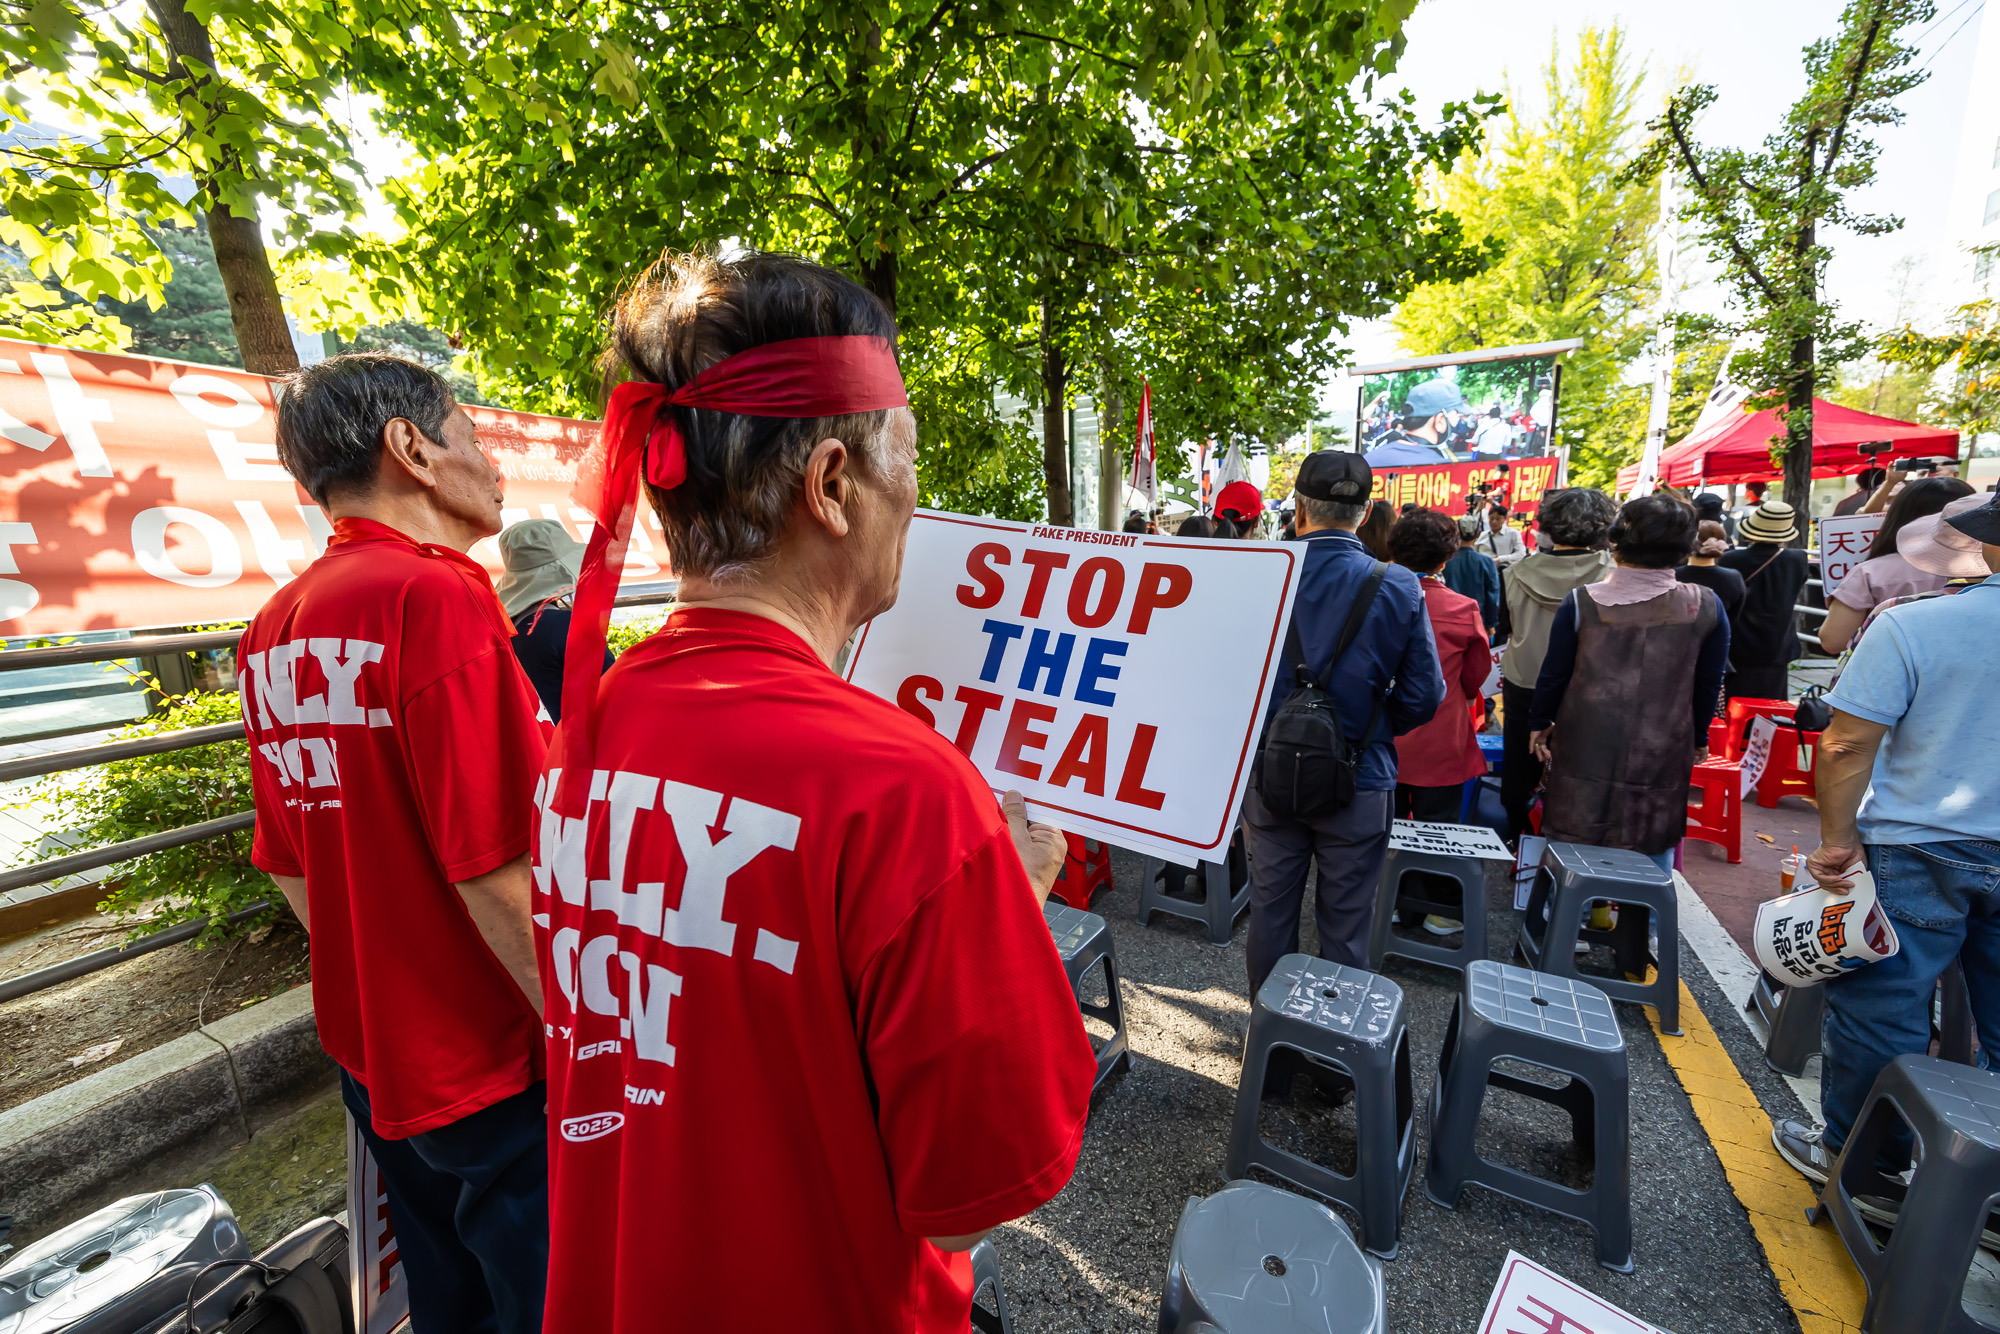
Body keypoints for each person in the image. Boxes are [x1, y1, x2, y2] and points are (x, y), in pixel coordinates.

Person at [534, 251, 1096, 1332]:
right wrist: (1008, 890)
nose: (916, 497)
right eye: (910, 459)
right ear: (832, 484)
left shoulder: (592, 722)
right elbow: (973, 1195)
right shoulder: (908, 795)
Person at [243, 354, 551, 1332]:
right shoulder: (435, 599)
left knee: (448, 1303)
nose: (492, 461)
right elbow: (497, 867)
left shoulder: (272, 626)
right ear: (411, 446)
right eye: (470, 430)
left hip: (375, 1056)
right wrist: (590, 1042)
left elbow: (291, 861)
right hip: (489, 1060)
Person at [1773, 491, 2000, 1187]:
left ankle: (1864, 1166)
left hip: (1919, 843)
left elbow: (1845, 746)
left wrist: (1837, 842)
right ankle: (1984, 1197)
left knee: (1885, 1006)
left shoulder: (1916, 626)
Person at [1243, 451, 1445, 993]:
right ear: (1365, 512)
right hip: (1361, 774)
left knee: (1270, 910)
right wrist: (1369, 725)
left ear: (1299, 513)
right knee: (1346, 926)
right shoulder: (1399, 584)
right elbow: (1426, 695)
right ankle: (1335, 1061)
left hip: (1269, 769)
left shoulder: (1258, 574)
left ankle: (1271, 1048)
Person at [1527, 496, 1728, 872]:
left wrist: (1540, 722)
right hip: (1663, 744)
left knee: (1572, 834)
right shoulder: (1706, 606)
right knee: (1651, 838)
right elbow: (1707, 683)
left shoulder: (1582, 602)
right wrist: (1699, 737)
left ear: (1617, 540)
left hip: (1584, 738)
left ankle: (1565, 916)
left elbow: (1553, 674)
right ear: (1684, 547)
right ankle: (1648, 922)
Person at [1389, 509, 1491, 934]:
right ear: (1445, 559)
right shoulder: (1463, 608)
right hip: (1441, 736)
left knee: (1387, 829)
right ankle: (1439, 910)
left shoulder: (1379, 596)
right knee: (1438, 830)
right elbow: (1474, 678)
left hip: (1385, 735)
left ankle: (1393, 904)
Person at [1495, 487, 1616, 841]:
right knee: (1583, 759)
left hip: (1526, 678)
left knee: (1520, 755)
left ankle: (1519, 830)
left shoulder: (1514, 573)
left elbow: (1507, 629)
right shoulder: (1613, 575)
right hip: (1590, 683)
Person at [1815, 477, 1973, 653]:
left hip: (1887, 673)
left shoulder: (1870, 574)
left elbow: (1833, 640)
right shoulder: (1988, 572)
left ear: (1897, 515)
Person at [497, 517, 612, 721]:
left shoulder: (507, 630)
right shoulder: (563, 625)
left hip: (544, 743)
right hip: (581, 743)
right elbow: (614, 687)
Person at [1716, 500, 1809, 702]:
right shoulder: (1798, 559)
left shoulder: (1731, 560)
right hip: (1779, 644)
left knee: (1737, 704)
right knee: (1773, 706)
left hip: (1740, 644)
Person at [1363, 379, 1465, 465]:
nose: (1457, 419)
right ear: (1440, 420)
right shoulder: (1441, 468)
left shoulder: (1369, 460)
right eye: (1456, 414)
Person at [1675, 520, 1745, 644]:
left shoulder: (1673, 576)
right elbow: (1733, 618)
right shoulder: (1733, 577)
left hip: (1676, 643)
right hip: (1716, 643)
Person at [1442, 513, 1501, 633]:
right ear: (1478, 534)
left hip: (1449, 621)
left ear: (1457, 533)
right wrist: (1491, 623)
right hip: (1477, 621)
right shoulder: (1487, 562)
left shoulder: (1444, 561)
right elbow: (1492, 595)